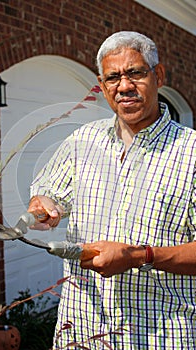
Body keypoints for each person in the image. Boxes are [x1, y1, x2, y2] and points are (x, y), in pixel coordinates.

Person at [28, 31, 196, 349]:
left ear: (158, 75)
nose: (124, 86)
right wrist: (43, 204)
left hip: (159, 337)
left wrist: (139, 256)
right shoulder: (82, 141)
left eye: (135, 72)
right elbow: (49, 192)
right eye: (113, 77)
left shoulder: (191, 153)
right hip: (80, 332)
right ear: (102, 85)